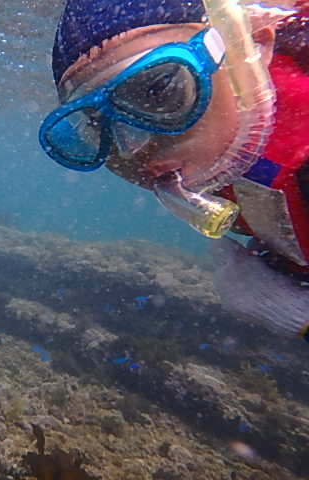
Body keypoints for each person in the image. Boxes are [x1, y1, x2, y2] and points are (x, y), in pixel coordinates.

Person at [39, 0, 309, 340]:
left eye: (158, 92)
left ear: (252, 47)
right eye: (96, 123)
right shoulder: (220, 156)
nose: (132, 148)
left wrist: (298, 317)